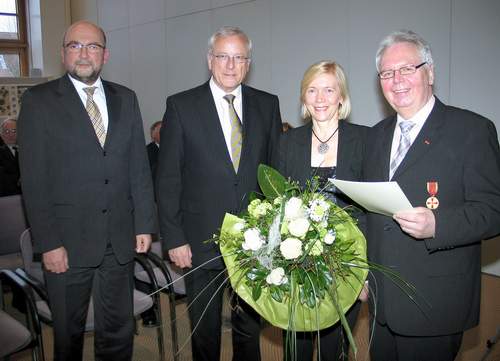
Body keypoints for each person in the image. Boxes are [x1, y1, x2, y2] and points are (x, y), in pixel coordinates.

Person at [17, 20, 156, 361]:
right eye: (75, 46)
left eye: (92, 46)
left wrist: (144, 224)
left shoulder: (127, 98)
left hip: (118, 240)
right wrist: (48, 243)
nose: (84, 53)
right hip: (65, 243)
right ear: (62, 54)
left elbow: (138, 167)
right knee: (68, 336)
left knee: (118, 332)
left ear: (104, 55)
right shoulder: (39, 101)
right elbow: (34, 181)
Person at [364, 30, 500, 361]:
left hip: (434, 304)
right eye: (387, 73)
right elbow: (369, 215)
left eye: (407, 68)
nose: (397, 80)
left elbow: (494, 209)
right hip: (381, 304)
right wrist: (362, 274)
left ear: (431, 72)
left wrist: (437, 224)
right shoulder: (375, 137)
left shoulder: (471, 130)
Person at [156, 26, 282, 361]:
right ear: (209, 60)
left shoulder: (267, 105)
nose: (230, 65)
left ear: (248, 63)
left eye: (238, 57)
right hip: (200, 241)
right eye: (223, 56)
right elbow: (167, 178)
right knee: (204, 332)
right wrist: (174, 238)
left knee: (249, 330)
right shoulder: (181, 106)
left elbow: (274, 173)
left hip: (254, 243)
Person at [278, 61, 367, 361]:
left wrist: (364, 275)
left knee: (336, 351)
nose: (320, 98)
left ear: (341, 96)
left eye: (329, 89)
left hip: (346, 268)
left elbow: (370, 213)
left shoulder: (365, 141)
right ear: (303, 98)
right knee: (296, 351)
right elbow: (278, 206)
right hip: (298, 268)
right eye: (312, 90)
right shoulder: (287, 142)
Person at [0, 118, 21, 196]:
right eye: (7, 131)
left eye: (14, 131)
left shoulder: (27, 150)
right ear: (1, 135)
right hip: (8, 196)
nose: (11, 135)